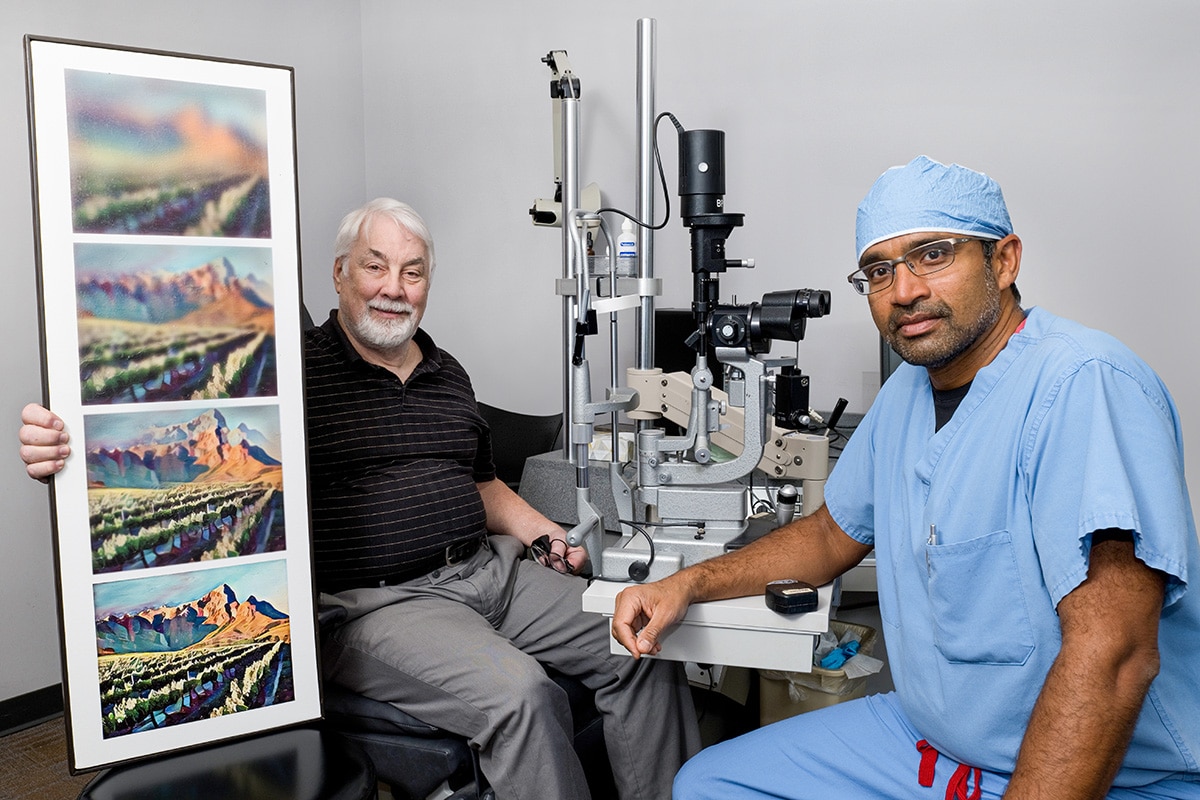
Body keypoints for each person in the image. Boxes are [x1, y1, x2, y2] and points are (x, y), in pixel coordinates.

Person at [20, 197, 699, 799]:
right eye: (375, 267)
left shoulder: (445, 370)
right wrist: (64, 445)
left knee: (640, 643)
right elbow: (175, 436)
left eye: (412, 271)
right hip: (377, 605)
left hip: (492, 572)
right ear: (339, 274)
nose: (394, 289)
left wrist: (544, 534)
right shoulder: (287, 373)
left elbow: (483, 482)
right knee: (521, 697)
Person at [611, 157, 1200, 799]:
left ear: (1003, 262)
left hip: (1108, 774)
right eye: (879, 271)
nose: (904, 291)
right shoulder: (907, 398)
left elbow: (1114, 656)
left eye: (933, 255)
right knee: (711, 786)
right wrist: (687, 584)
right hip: (929, 741)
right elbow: (831, 537)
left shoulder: (1085, 386)